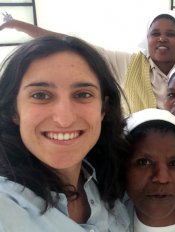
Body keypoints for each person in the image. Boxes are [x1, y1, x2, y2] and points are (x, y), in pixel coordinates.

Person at [0, 36, 130, 231]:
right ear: (14, 111)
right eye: (40, 95)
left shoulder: (109, 177)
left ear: (103, 109)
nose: (65, 119)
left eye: (83, 95)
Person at [0, 11, 175, 115]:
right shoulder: (127, 63)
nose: (162, 39)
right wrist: (19, 25)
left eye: (171, 33)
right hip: (137, 149)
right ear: (146, 39)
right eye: (155, 33)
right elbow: (72, 43)